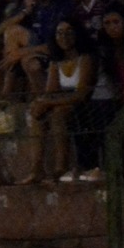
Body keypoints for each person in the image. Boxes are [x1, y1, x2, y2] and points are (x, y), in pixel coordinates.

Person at [22, 19, 96, 184]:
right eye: (59, 33)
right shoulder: (56, 62)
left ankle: (61, 167)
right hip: (61, 101)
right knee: (37, 116)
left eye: (69, 32)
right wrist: (41, 102)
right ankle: (36, 168)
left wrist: (49, 102)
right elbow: (51, 92)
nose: (64, 37)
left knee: (58, 114)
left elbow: (82, 94)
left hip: (85, 105)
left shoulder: (86, 59)